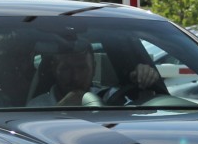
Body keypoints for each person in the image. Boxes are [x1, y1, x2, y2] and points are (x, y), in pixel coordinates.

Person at [27, 42, 161, 107]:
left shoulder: (111, 97)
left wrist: (146, 80)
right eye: (66, 69)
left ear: (94, 68)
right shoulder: (37, 107)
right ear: (54, 69)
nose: (75, 77)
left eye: (82, 68)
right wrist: (63, 106)